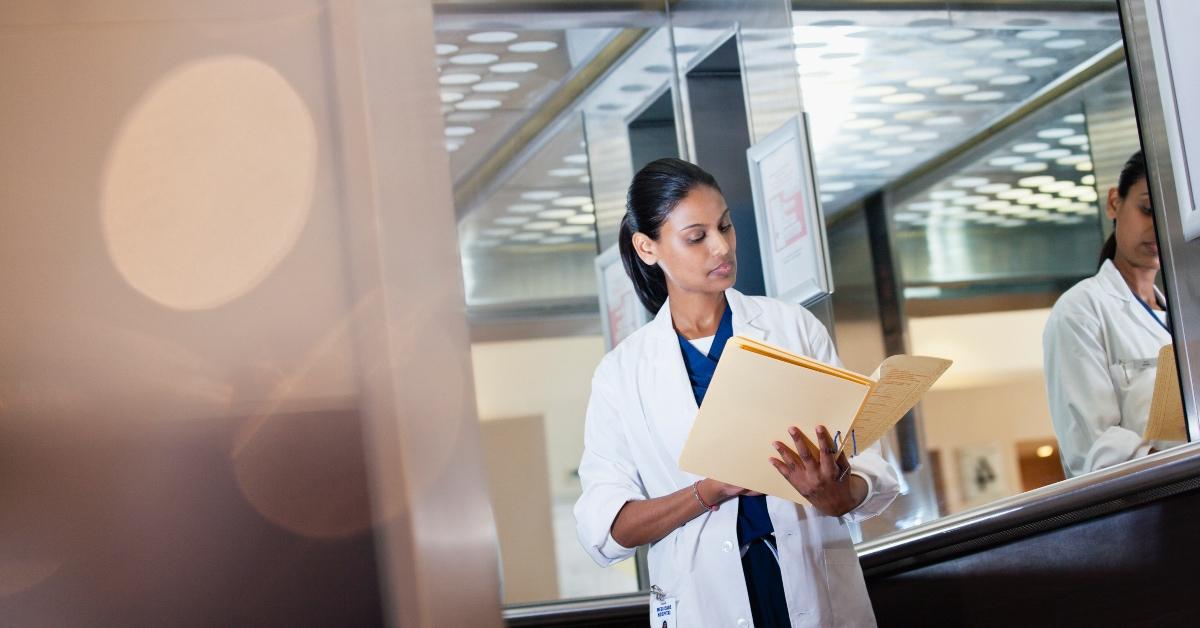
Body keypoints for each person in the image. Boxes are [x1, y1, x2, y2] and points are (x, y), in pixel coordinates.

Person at [574, 158, 900, 627]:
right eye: (696, 237)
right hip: (704, 603)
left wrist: (839, 494)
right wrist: (708, 491)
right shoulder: (621, 375)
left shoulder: (791, 329)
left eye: (725, 226)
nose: (721, 246)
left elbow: (865, 459)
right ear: (647, 248)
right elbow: (608, 528)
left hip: (812, 586)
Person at [1044, 150, 1175, 478]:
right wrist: (1179, 463)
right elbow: (1093, 451)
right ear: (1115, 202)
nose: (1158, 226)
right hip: (1158, 505)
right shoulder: (1080, 311)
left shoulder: (1184, 313)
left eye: (1171, 214)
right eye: (1147, 209)